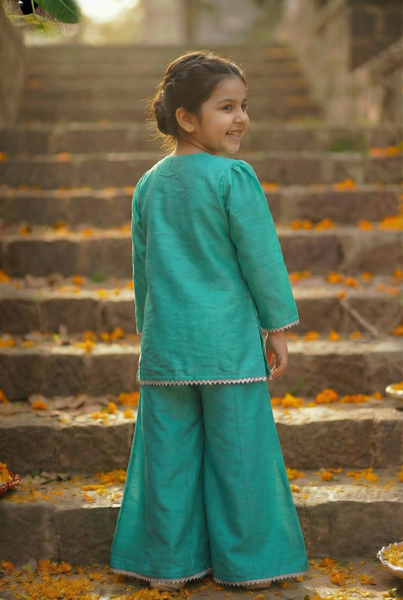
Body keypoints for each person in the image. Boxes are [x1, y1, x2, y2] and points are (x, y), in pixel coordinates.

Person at [109, 50, 308, 592]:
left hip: (168, 349)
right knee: (241, 458)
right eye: (226, 107)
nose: (241, 118)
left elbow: (144, 271)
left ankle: (167, 567)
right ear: (187, 118)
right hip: (227, 348)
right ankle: (251, 565)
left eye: (243, 106)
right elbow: (260, 257)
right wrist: (276, 327)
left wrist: (149, 332)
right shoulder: (233, 177)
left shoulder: (148, 185)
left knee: (167, 461)